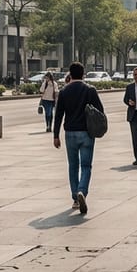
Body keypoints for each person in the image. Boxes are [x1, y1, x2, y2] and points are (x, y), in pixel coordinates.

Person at [53, 62, 105, 214]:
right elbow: (100, 111)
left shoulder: (64, 91)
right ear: (83, 74)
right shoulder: (90, 90)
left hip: (70, 133)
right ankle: (82, 190)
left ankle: (75, 198)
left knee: (73, 165)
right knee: (86, 166)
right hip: (87, 133)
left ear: (70, 73)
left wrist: (56, 135)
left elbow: (58, 115)